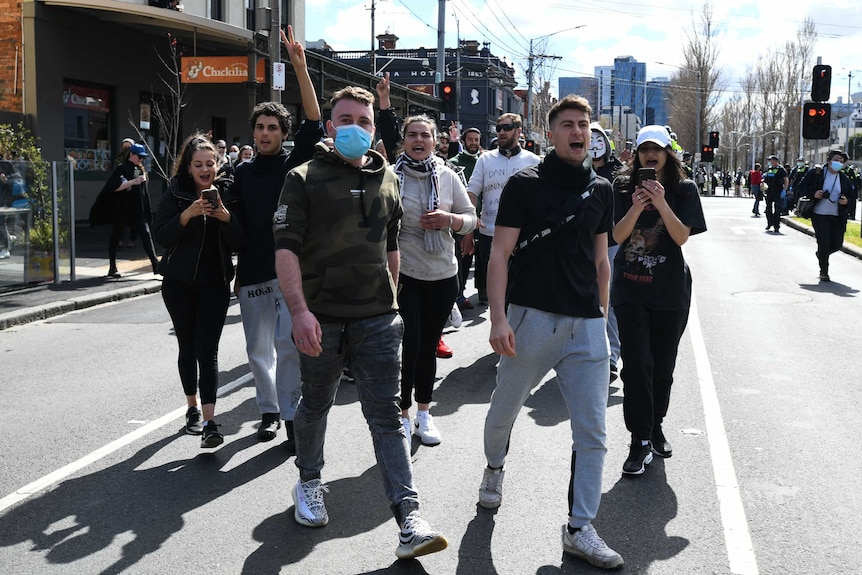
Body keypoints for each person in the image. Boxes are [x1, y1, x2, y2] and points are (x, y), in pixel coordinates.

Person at [273, 85, 448, 560]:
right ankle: (309, 481)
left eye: (364, 121)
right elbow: (285, 249)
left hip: (377, 319)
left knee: (387, 416)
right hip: (321, 320)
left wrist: (392, 302)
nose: (355, 128)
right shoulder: (303, 178)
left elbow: (391, 245)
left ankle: (409, 518)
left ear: (375, 129)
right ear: (330, 127)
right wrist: (299, 312)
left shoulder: (388, 179)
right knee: (315, 405)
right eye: (345, 120)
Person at [478, 95, 623, 570]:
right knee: (503, 413)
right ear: (551, 131)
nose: (578, 132)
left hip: (585, 327)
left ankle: (580, 527)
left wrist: (602, 321)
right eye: (568, 125)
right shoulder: (525, 183)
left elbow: (602, 259)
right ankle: (494, 468)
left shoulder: (602, 188)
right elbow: (499, 255)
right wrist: (498, 319)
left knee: (594, 432)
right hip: (530, 321)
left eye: (584, 125)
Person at [233, 26, 323, 450]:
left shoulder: (296, 163)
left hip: (291, 274)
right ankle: (268, 410)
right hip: (251, 273)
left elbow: (313, 121)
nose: (265, 133)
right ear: (253, 133)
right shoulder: (239, 174)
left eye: (272, 127)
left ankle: (291, 417)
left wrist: (301, 68)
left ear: (283, 134)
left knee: (288, 347)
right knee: (258, 350)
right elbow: (235, 226)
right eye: (260, 128)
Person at [611, 125, 706, 476]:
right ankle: (638, 440)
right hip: (630, 291)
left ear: (668, 154)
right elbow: (618, 236)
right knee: (636, 366)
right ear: (636, 155)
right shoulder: (622, 187)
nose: (651, 155)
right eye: (644, 149)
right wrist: (636, 208)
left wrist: (662, 202)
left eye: (658, 149)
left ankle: (656, 426)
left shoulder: (684, 189)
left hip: (670, 292)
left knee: (662, 367)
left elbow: (681, 237)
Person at [152, 135, 245, 448]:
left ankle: (209, 421)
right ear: (188, 167)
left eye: (210, 163)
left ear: (217, 164)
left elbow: (240, 240)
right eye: (198, 164)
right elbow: (161, 235)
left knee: (208, 351)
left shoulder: (228, 192)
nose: (205, 169)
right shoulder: (176, 193)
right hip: (178, 284)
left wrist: (226, 217)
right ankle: (191, 407)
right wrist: (188, 214)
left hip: (215, 283)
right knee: (187, 347)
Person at [390, 115, 477, 445]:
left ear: (435, 141)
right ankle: (402, 414)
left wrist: (449, 219)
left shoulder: (448, 176)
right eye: (412, 134)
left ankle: (424, 413)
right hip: (405, 273)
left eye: (425, 135)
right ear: (404, 140)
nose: (418, 140)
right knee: (409, 345)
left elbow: (471, 220)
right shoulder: (390, 176)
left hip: (443, 275)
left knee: (428, 346)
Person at [465, 113, 540, 304]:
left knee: (521, 291)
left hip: (524, 235)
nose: (502, 132)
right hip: (490, 234)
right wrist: (468, 228)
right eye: (499, 129)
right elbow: (471, 194)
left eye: (507, 128)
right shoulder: (485, 159)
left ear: (519, 130)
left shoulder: (534, 161)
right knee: (497, 295)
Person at [589, 122, 628, 383]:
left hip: (612, 244)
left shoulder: (619, 173)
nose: (593, 145)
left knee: (609, 301)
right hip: (580, 245)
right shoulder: (572, 171)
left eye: (598, 140)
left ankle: (611, 357)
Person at [99, 143, 160, 278]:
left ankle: (155, 264)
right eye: (139, 157)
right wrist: (133, 182)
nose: (141, 159)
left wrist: (147, 210)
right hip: (122, 209)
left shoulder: (138, 169)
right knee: (116, 236)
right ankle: (112, 267)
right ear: (131, 155)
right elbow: (114, 187)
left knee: (146, 235)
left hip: (137, 210)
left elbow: (143, 191)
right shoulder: (121, 169)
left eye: (143, 157)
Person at [797, 149, 856, 282]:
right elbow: (800, 187)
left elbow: (853, 197)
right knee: (824, 243)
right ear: (829, 161)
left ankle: (821, 255)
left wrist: (846, 201)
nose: (838, 163)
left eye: (841, 162)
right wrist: (814, 194)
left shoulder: (844, 178)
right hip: (819, 215)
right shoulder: (816, 173)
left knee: (836, 244)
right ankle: (824, 271)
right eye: (835, 160)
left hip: (837, 216)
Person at [449, 127, 483, 311]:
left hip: (481, 219)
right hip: (460, 219)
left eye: (477, 140)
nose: (474, 143)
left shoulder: (483, 162)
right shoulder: (453, 163)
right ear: (463, 141)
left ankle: (477, 290)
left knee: (474, 256)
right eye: (470, 139)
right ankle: (458, 295)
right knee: (461, 255)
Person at [763, 155, 788, 232]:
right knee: (768, 209)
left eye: (771, 160)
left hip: (778, 191)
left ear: (775, 161)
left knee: (777, 209)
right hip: (770, 190)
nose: (769, 162)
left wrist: (784, 190)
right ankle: (770, 223)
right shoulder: (770, 169)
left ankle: (776, 226)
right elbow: (766, 178)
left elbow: (786, 179)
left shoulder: (781, 169)